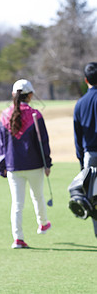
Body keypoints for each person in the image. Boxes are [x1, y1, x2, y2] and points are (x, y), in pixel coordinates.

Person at [0, 79, 52, 249]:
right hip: (34, 164)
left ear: (14, 95)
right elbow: (43, 141)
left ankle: (18, 239)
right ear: (30, 95)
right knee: (38, 197)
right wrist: (47, 163)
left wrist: (1, 166)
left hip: (13, 166)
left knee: (17, 204)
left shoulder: (4, 115)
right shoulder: (36, 114)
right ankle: (43, 224)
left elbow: (2, 144)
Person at [73, 62, 97, 236]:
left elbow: (77, 137)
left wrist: (82, 162)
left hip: (91, 156)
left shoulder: (80, 104)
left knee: (94, 199)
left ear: (85, 80)